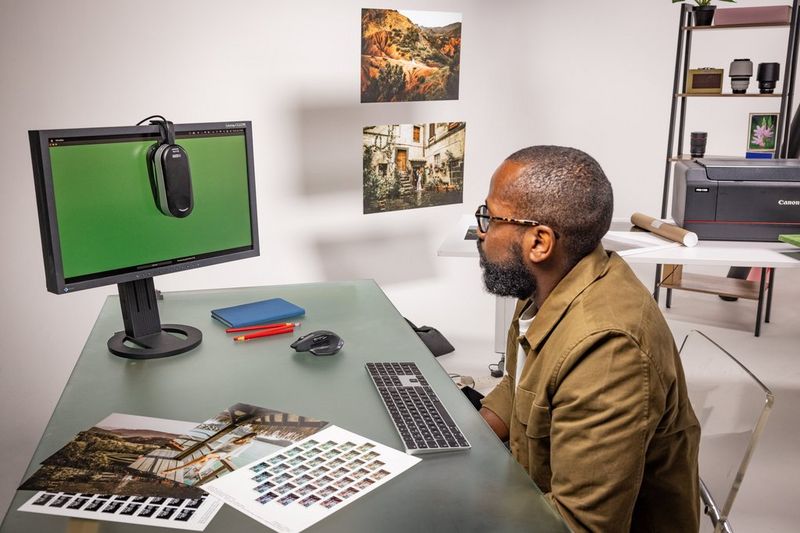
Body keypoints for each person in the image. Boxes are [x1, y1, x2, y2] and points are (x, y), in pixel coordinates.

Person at [476, 146, 700, 532]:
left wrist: (461, 502)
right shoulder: (546, 286)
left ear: (539, 243)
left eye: (491, 219)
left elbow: (578, 524)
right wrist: (457, 440)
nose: (481, 235)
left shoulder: (608, 349)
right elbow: (519, 387)